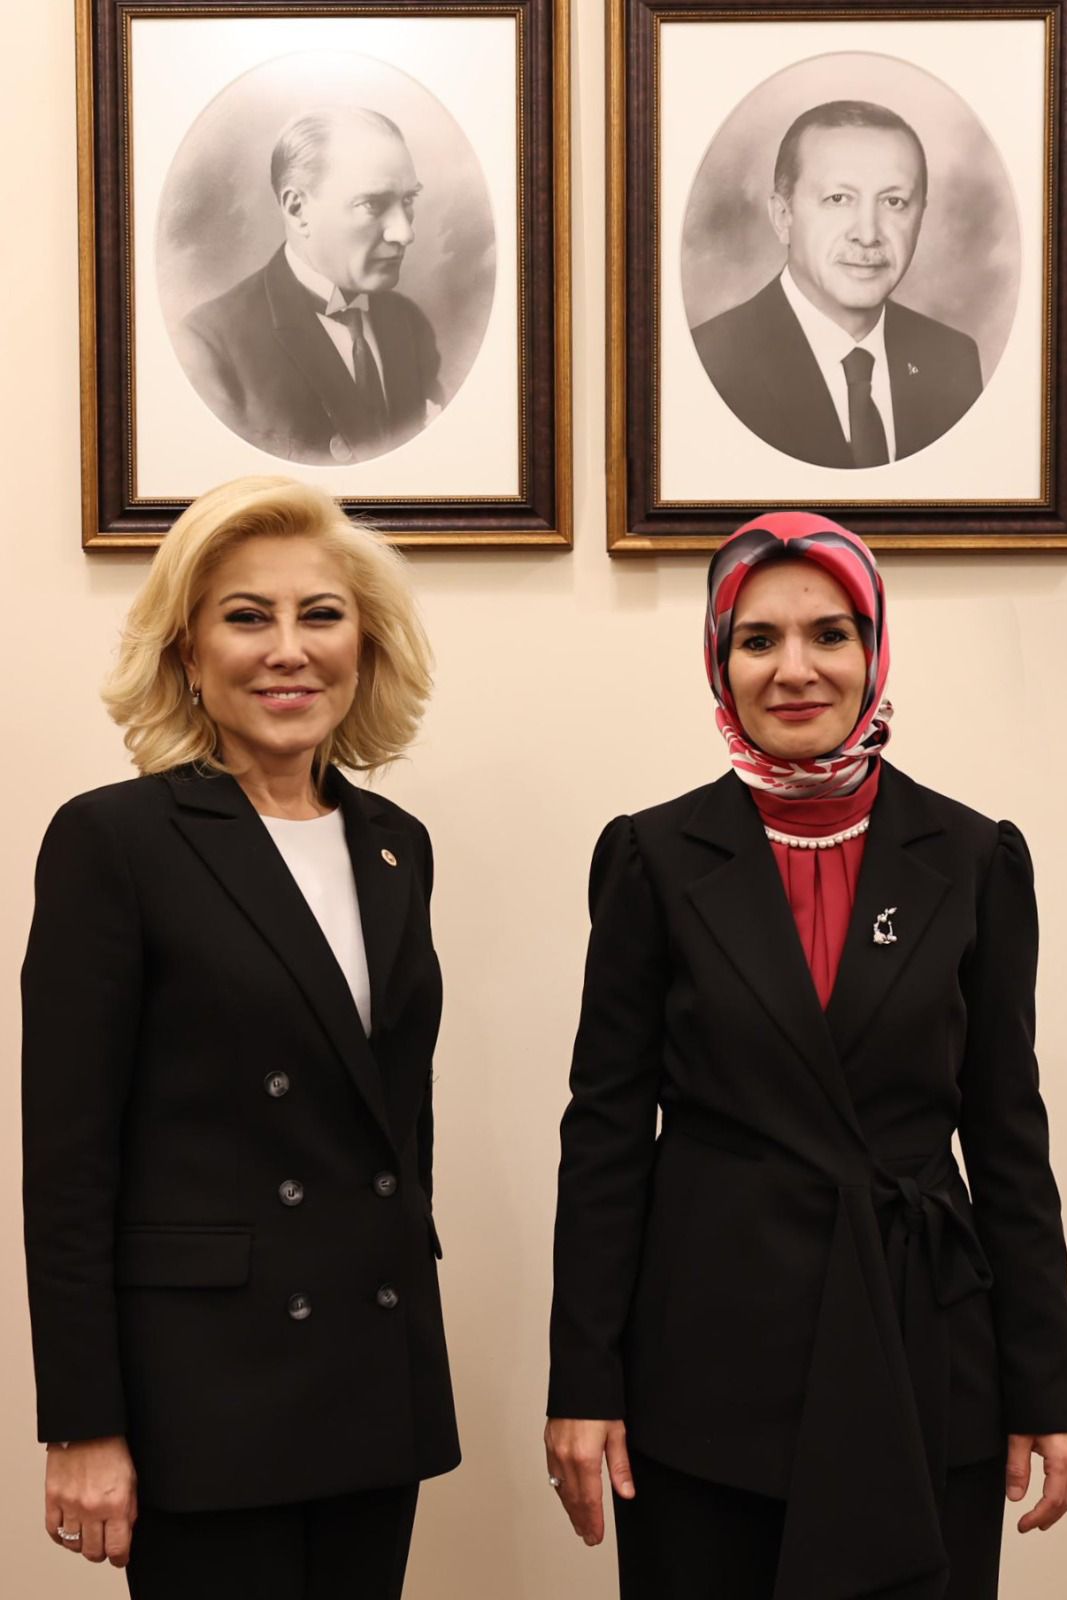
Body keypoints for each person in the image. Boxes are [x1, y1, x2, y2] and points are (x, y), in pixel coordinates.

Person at [545, 511, 1067, 1599]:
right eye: (758, 639)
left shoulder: (974, 855)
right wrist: (583, 1380)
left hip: (922, 1347)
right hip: (707, 1365)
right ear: (720, 659)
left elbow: (1007, 1135)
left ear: (874, 650)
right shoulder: (652, 855)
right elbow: (605, 1136)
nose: (795, 669)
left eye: (830, 634)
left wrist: (1046, 1385)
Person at [22, 476, 458, 1596]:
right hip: (206, 1390)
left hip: (372, 1368)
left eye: (321, 615)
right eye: (247, 616)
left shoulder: (396, 844)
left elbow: (395, 1118)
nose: (288, 650)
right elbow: (68, 1164)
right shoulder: (114, 841)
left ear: (364, 643)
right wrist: (83, 1422)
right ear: (188, 652)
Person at [691, 102, 983, 468]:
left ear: (920, 216)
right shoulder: (710, 366)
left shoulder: (952, 359)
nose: (868, 234)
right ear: (783, 217)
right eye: (838, 199)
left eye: (894, 201)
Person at [176, 107, 443, 466]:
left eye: (408, 200)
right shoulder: (210, 346)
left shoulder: (409, 323)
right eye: (373, 204)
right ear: (297, 209)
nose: (405, 233)